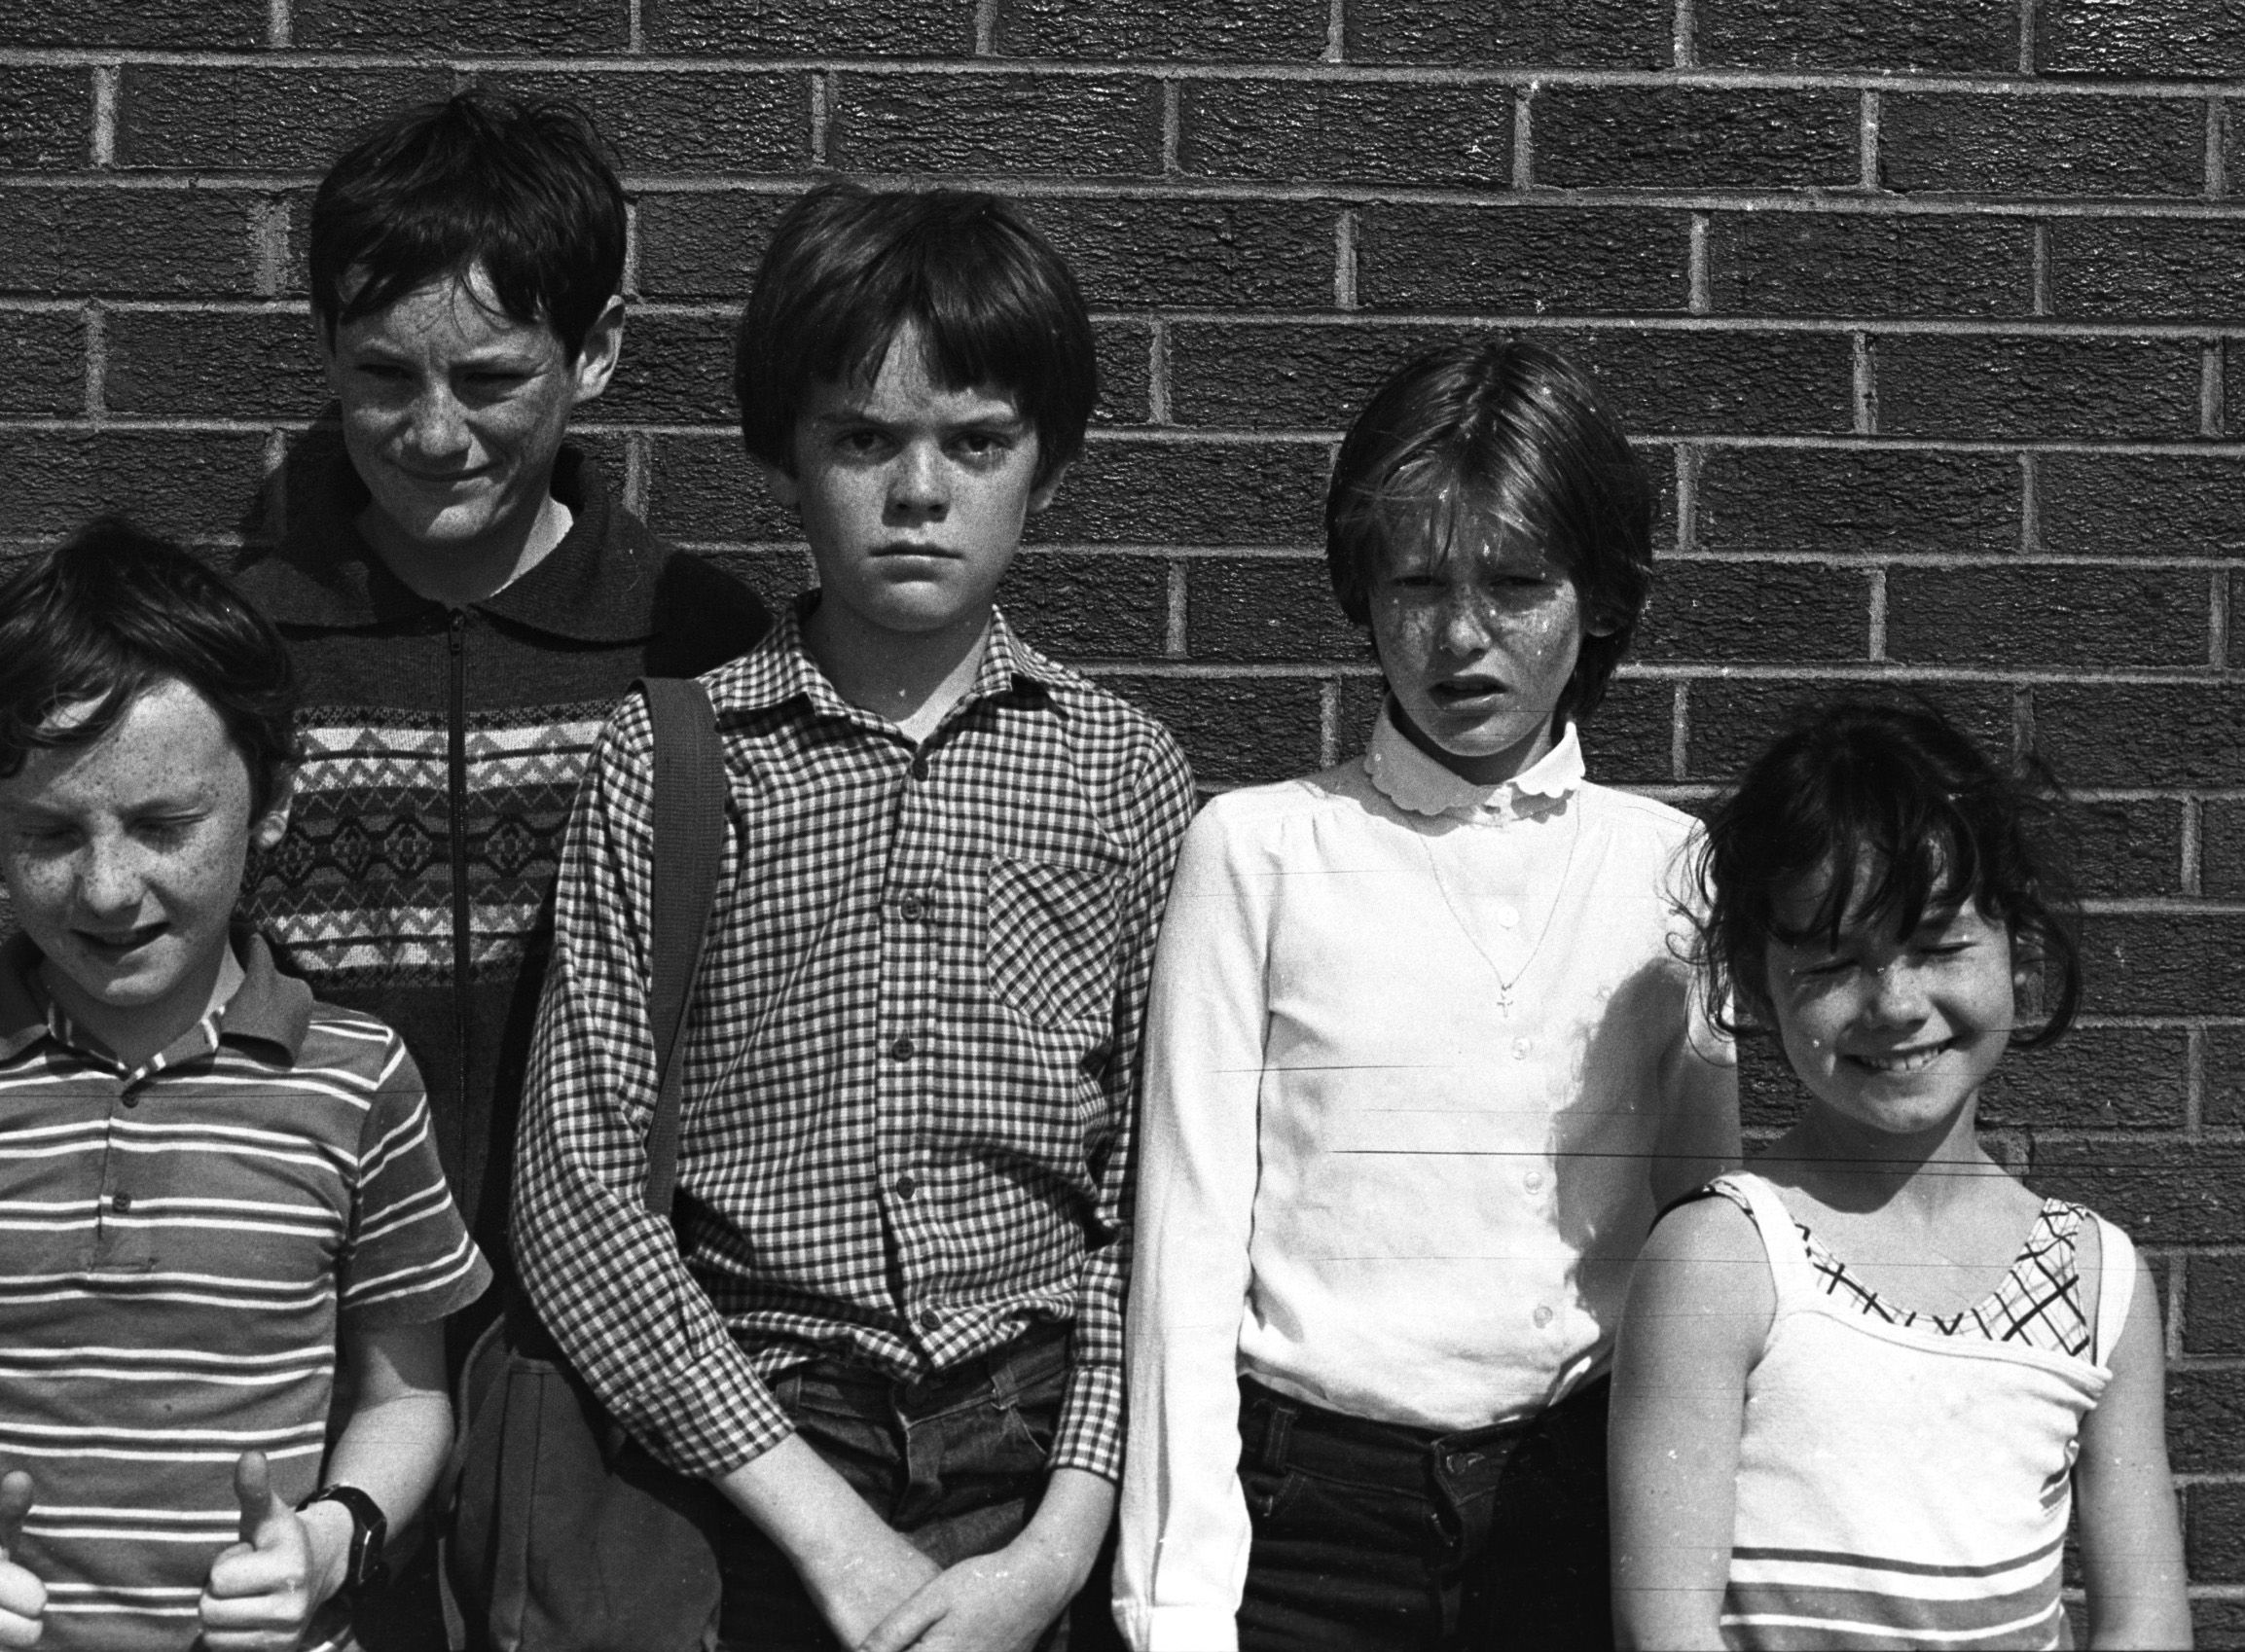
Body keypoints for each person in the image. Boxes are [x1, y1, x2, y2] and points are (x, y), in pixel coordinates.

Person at [515, 181, 1196, 1651]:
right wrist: (827, 1533)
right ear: (785, 451)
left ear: (1047, 466)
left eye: (974, 442)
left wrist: (1062, 1540)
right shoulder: (673, 754)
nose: (916, 489)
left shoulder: (1120, 770)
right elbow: (576, 1194)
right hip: (747, 1462)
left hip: (1037, 1444)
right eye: (862, 437)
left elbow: (1159, 1192)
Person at [229, 92, 770, 1634]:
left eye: (488, 379)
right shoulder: (237, 646)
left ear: (595, 350)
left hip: (608, 1377)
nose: (432, 432)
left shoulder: (697, 644)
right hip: (316, 1351)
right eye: (380, 377)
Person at [1117, 339, 1741, 1650]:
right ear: (1359, 591)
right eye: (1416, 581)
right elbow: (1183, 1247)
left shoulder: (1667, 867)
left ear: (1595, 601)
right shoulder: (1258, 849)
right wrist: (1176, 1604)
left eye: (1515, 584)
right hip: (1308, 1523)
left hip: (1573, 1507)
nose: (1460, 634)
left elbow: (1703, 1245)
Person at [0, 521, 490, 1652]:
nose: (107, 889)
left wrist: (333, 1538)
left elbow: (409, 1396)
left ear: (273, 798)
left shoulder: (356, 1079)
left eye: (164, 825)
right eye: (49, 833)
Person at [1609, 700, 2190, 1649]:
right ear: (1760, 986)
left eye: (1939, 946)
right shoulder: (1722, 1259)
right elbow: (1665, 1623)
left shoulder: (2099, 1278)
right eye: (1835, 963)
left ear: (2016, 948)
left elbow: (2147, 1622)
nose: (1895, 1004)